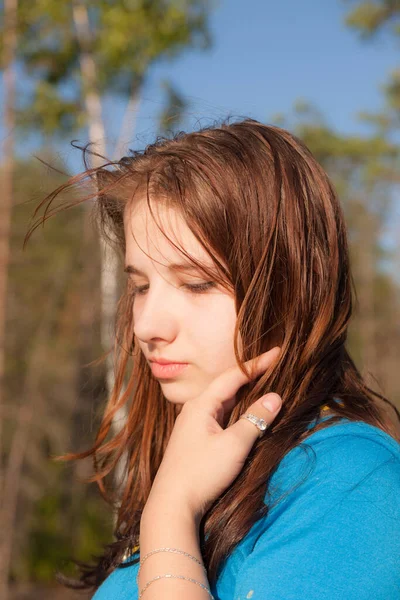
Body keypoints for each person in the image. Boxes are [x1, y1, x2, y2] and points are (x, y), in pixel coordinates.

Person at [25, 118, 400, 599]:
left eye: (197, 283)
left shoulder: (352, 484)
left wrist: (171, 513)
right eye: (140, 285)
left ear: (292, 290)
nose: (145, 326)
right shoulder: (205, 467)